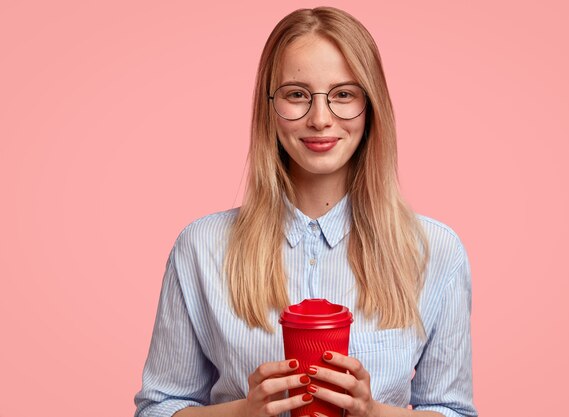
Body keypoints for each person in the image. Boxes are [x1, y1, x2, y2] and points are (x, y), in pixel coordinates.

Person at [134, 6, 477, 417]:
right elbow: (157, 408)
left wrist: (375, 412)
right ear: (270, 107)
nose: (319, 119)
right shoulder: (202, 247)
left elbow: (453, 411)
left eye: (343, 95)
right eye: (297, 94)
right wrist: (242, 413)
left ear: (371, 108)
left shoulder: (435, 251)